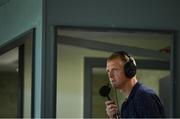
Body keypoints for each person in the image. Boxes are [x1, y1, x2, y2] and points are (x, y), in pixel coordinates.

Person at [105, 51, 165, 118]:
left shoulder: (144, 97)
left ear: (129, 70)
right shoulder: (126, 105)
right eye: (108, 71)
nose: (110, 75)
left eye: (115, 70)